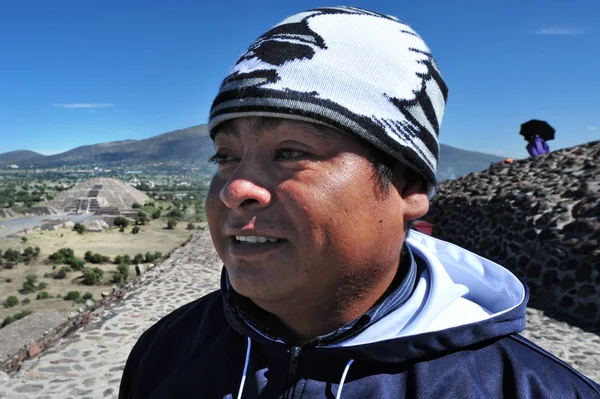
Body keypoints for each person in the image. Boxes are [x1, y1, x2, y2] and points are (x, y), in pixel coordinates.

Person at [119, 7, 600, 398]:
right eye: (225, 156)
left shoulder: (526, 389)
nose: (234, 189)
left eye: (291, 152)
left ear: (409, 187)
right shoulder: (165, 352)